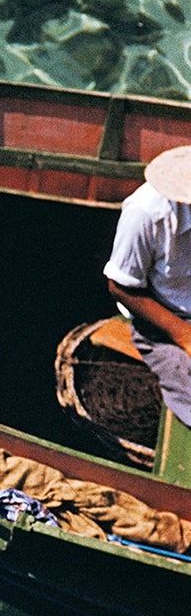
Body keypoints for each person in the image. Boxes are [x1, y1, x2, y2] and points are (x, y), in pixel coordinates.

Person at [103, 144, 191, 426]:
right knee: (184, 374)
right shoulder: (145, 213)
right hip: (165, 317)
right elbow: (121, 287)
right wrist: (184, 335)